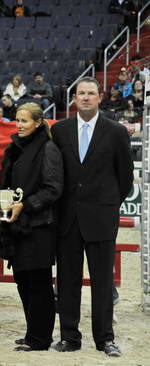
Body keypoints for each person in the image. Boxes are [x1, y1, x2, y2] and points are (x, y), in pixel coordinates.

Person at [51, 77, 134, 357]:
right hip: (68, 219)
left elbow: (125, 179)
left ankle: (105, 338)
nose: (85, 98)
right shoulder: (59, 131)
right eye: (81, 93)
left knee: (102, 282)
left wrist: (106, 205)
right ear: (74, 98)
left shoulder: (116, 132)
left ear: (100, 98)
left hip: (101, 217)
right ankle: (69, 337)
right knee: (67, 281)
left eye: (91, 93)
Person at [0, 103, 63, 351]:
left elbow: (53, 189)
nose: (19, 125)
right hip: (16, 225)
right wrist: (4, 205)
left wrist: (26, 205)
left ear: (37, 122)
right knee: (22, 280)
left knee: (38, 282)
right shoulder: (16, 148)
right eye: (17, 120)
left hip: (39, 226)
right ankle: (33, 332)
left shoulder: (48, 148)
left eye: (24, 121)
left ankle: (40, 338)